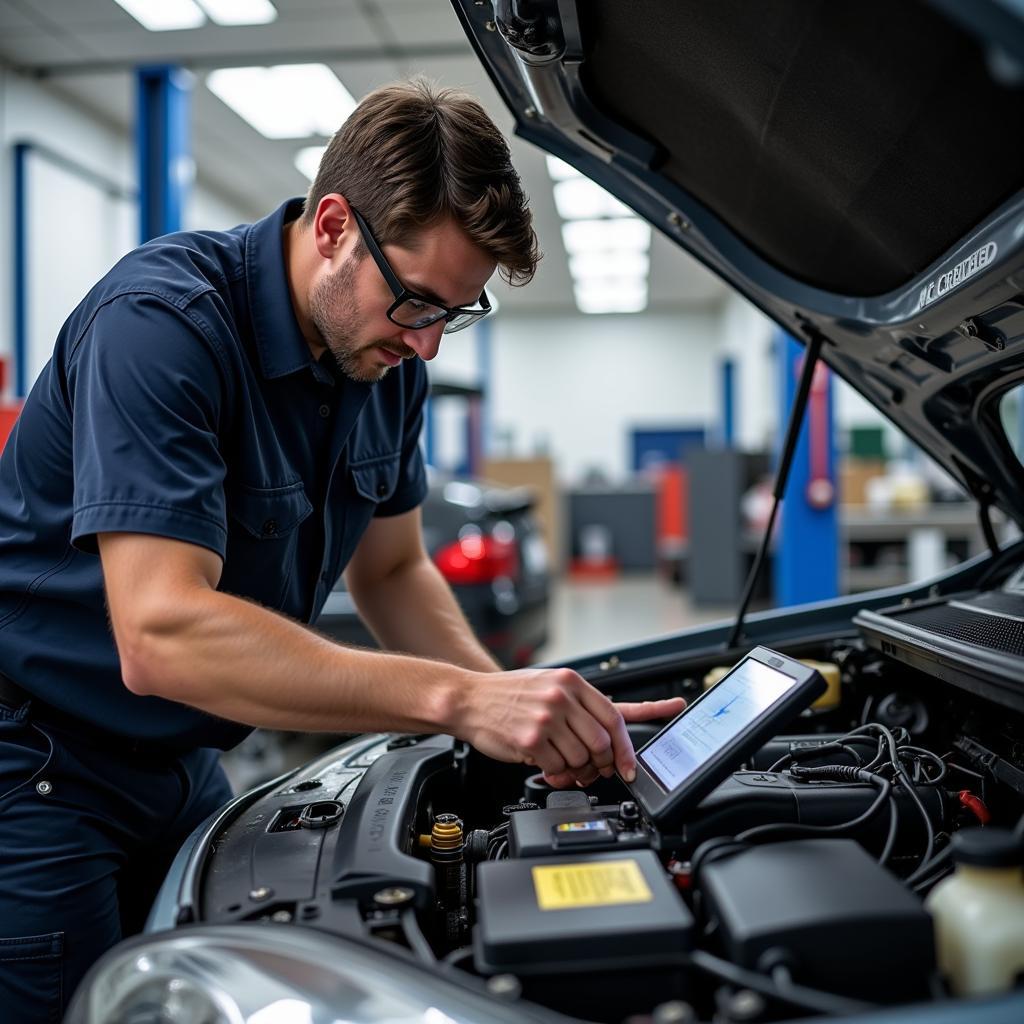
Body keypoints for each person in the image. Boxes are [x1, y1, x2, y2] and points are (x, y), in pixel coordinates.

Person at [0, 78, 684, 1018]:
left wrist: (515, 719)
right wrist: (458, 701)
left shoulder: (383, 358)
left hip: (187, 759)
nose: (432, 343)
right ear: (332, 227)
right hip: (38, 765)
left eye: (457, 312)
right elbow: (160, 635)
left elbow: (394, 570)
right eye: (417, 303)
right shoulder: (162, 328)